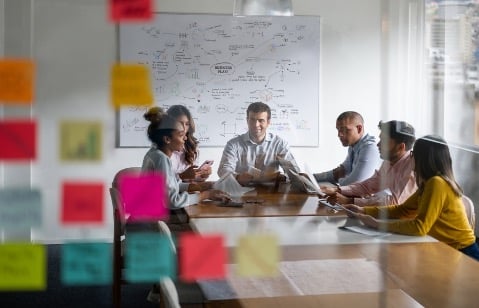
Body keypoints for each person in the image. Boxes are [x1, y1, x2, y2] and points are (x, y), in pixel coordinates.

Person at [344, 135, 479, 261]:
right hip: (447, 249)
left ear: (423, 158)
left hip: (463, 253)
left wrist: (377, 224)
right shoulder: (429, 183)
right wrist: (364, 211)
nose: (411, 158)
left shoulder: (437, 183)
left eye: (414, 154)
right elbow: (403, 210)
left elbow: (420, 227)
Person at [142, 106, 229, 209]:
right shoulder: (161, 158)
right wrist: (206, 195)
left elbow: (175, 186)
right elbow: (173, 201)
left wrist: (207, 186)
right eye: (181, 135)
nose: (186, 138)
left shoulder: (156, 154)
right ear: (167, 139)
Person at [323, 120, 417, 206]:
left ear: (401, 147)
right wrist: (337, 190)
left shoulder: (413, 167)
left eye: (383, 141)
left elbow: (394, 202)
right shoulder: (388, 162)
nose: (378, 144)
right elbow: (367, 186)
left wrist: (350, 201)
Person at [217, 102, 300, 186]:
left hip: (271, 194)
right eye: (252, 119)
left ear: (268, 122)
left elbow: (295, 173)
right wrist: (237, 177)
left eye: (261, 120)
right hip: (241, 192)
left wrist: (283, 177)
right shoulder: (233, 144)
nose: (256, 125)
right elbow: (223, 170)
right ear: (247, 120)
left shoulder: (279, 144)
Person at [314, 111, 381, 186]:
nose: (339, 134)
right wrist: (312, 177)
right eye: (338, 130)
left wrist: (339, 180)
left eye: (344, 129)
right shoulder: (353, 146)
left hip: (376, 197)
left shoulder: (370, 148)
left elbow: (356, 183)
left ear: (359, 129)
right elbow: (340, 171)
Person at [167, 105, 211, 182]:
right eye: (179, 123)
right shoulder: (162, 148)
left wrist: (201, 175)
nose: (184, 129)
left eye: (187, 124)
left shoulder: (192, 146)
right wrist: (181, 176)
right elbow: (163, 183)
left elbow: (191, 180)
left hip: (186, 190)